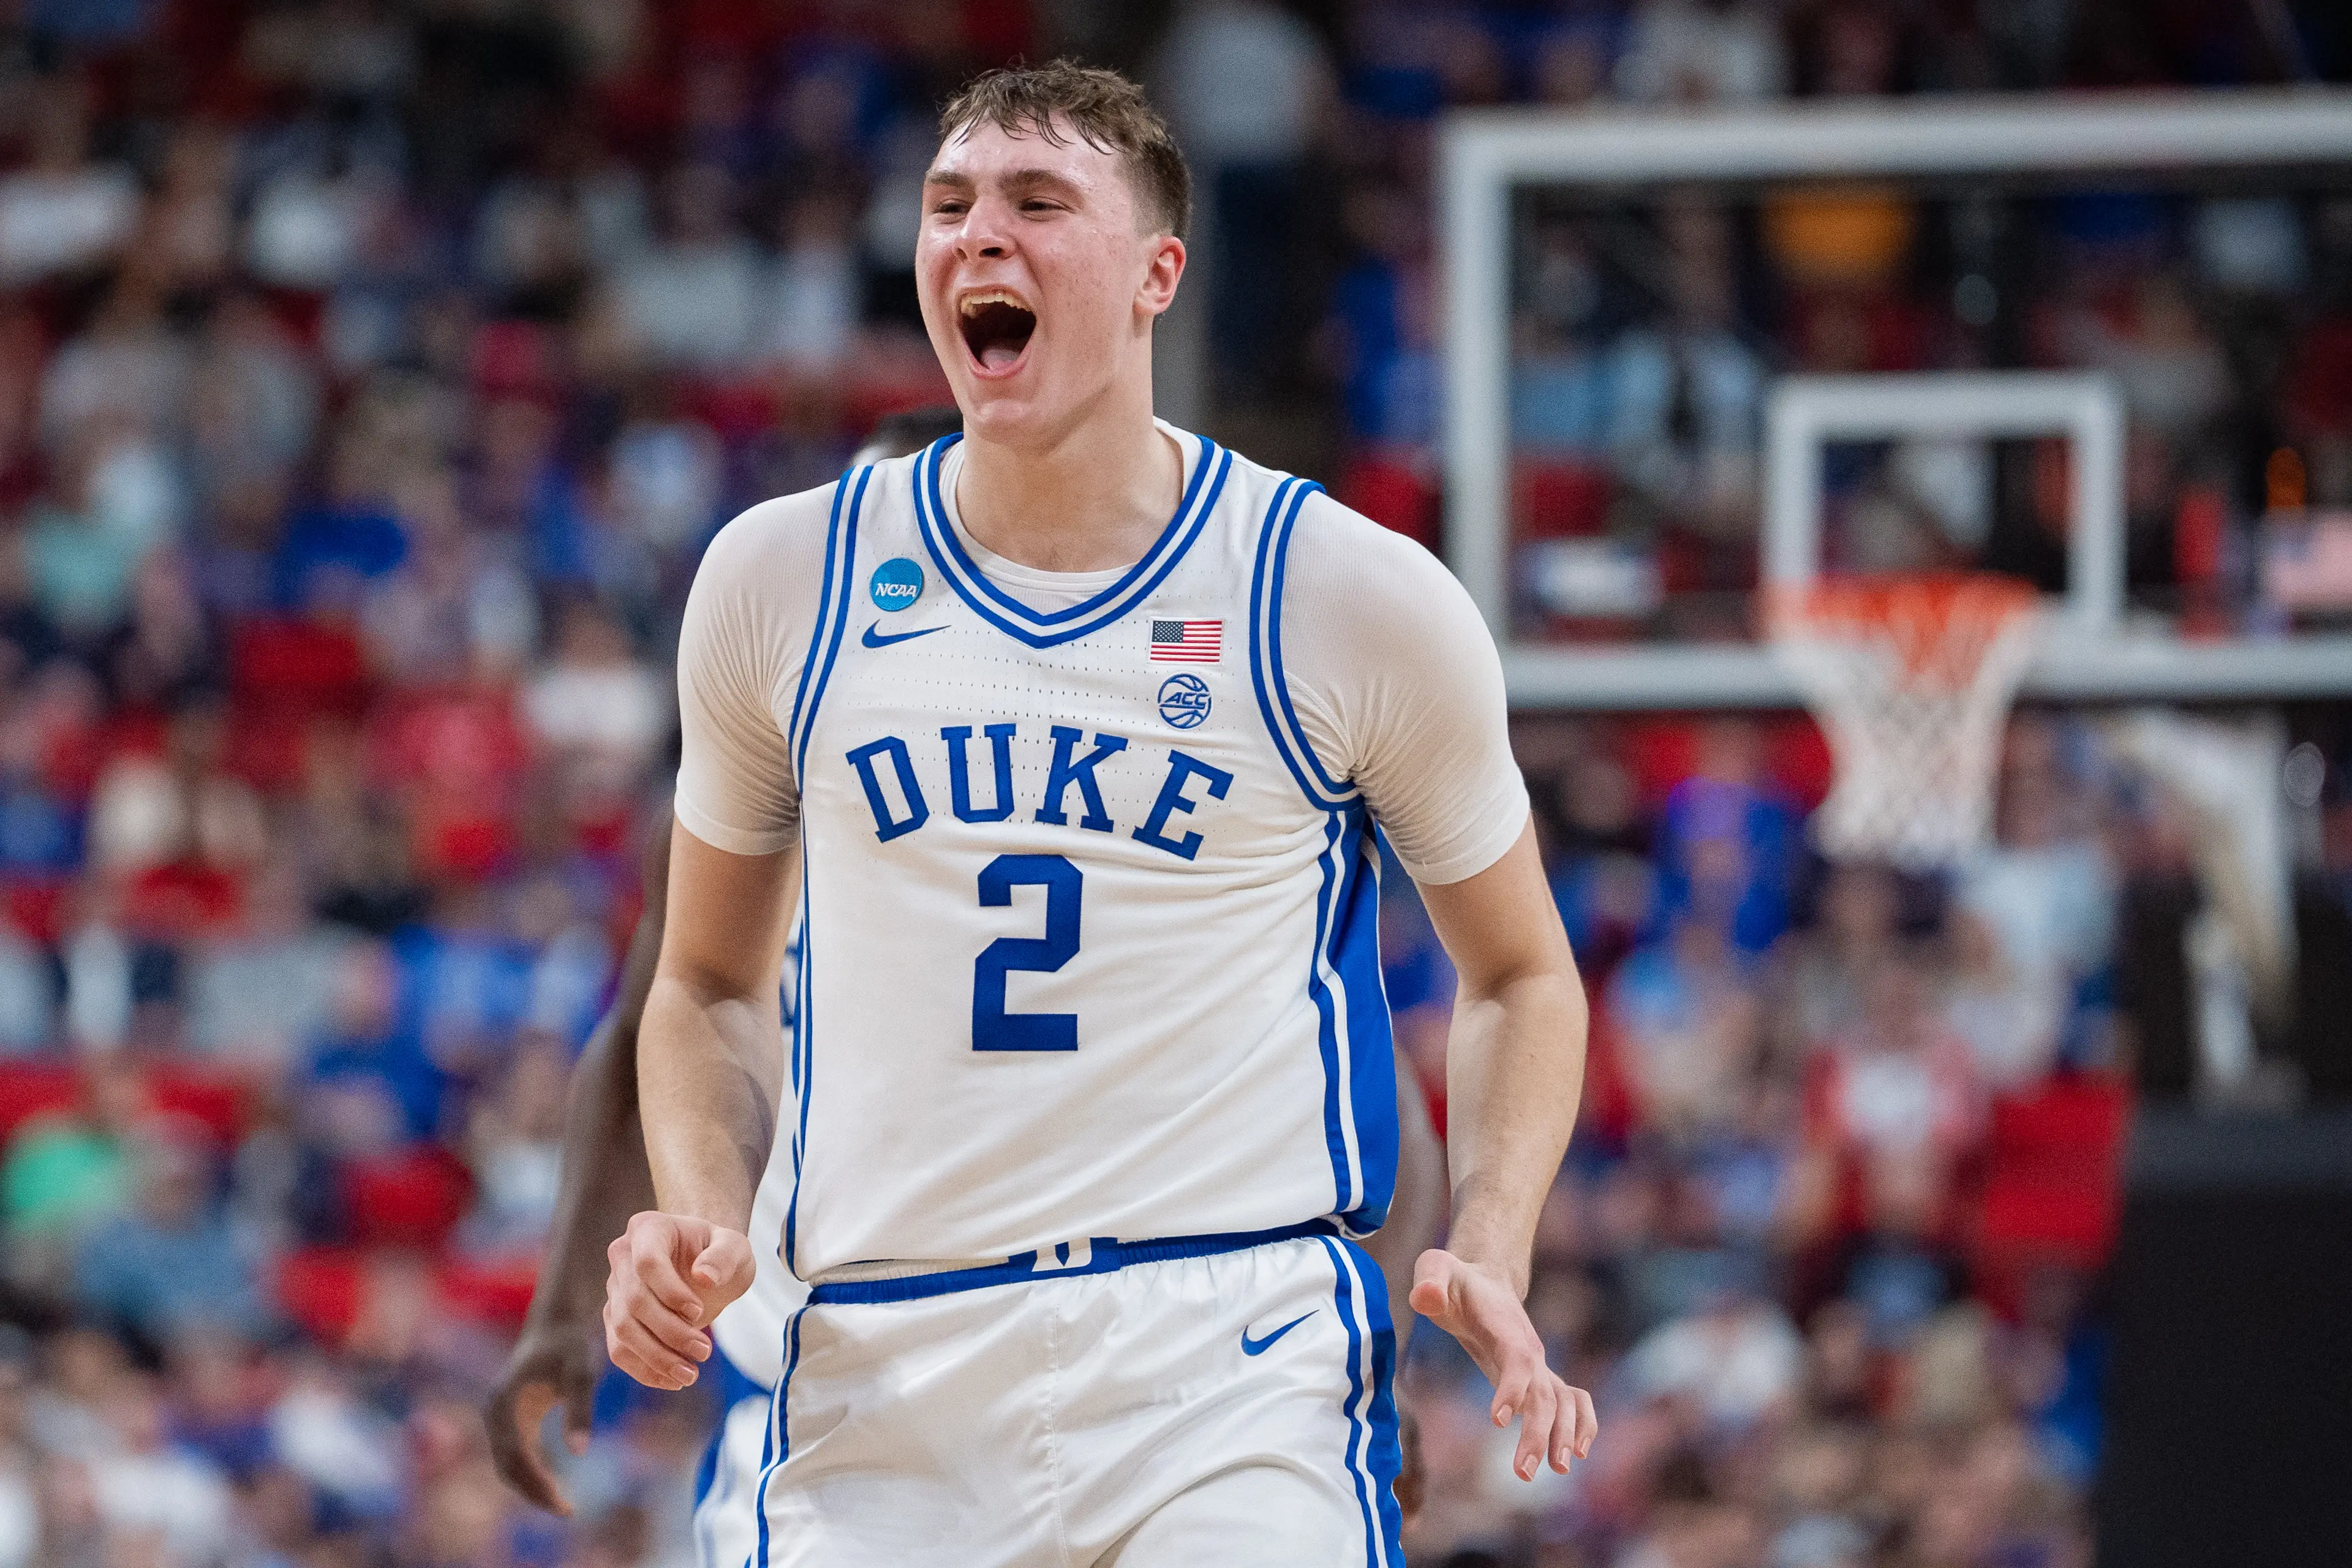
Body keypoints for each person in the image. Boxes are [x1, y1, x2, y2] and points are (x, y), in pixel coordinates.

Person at [605, 62, 1593, 1564]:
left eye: (1035, 203)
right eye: (949, 207)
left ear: (1155, 276)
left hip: (1228, 1352)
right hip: (882, 1365)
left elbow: (1521, 971)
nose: (978, 238)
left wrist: (1496, 1239)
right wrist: (697, 1210)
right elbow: (705, 983)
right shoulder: (777, 581)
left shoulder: (1342, 594)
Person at [486, 409, 1452, 1550]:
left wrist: (1359, 1349)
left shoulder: (1143, 807)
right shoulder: (746, 802)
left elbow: (1369, 1096)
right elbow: (648, 1036)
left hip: (1157, 1379)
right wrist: (560, 1311)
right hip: (834, 1382)